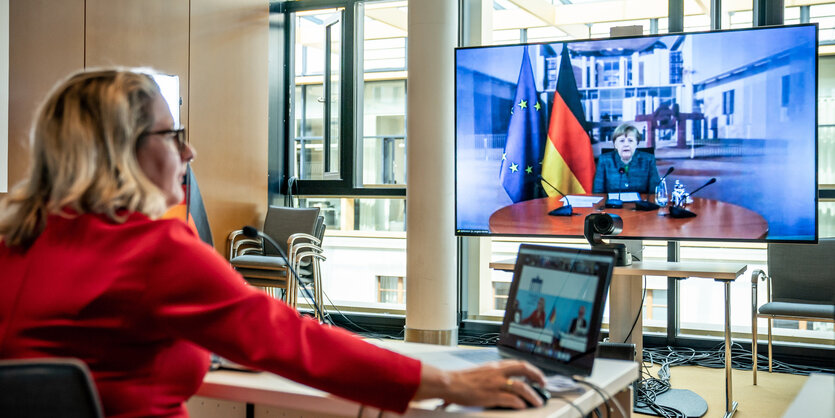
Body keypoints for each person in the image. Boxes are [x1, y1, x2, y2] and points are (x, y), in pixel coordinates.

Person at [0, 68, 547, 417]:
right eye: (173, 135)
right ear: (125, 149)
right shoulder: (151, 249)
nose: (188, 154)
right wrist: (451, 383)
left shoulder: (15, 236)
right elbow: (292, 340)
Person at [592, 123, 661, 195]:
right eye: (622, 141)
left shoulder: (648, 160)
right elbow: (598, 192)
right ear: (615, 144)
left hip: (640, 205)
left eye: (630, 141)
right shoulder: (604, 160)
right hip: (612, 205)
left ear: (637, 143)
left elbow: (655, 191)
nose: (626, 144)